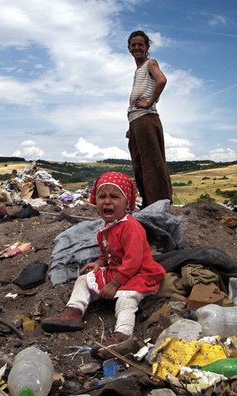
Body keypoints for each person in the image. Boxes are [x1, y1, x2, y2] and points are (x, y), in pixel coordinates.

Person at [41, 171, 166, 344]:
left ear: (127, 203)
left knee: (125, 300)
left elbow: (133, 261)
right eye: (102, 196)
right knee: (83, 280)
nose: (107, 201)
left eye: (115, 196)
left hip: (137, 274)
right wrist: (99, 262)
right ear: (95, 201)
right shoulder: (106, 228)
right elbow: (108, 253)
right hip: (117, 271)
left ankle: (123, 335)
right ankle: (73, 312)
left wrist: (114, 284)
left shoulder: (131, 228)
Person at [126, 30, 173, 208]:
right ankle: (147, 202)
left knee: (152, 162)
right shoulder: (138, 70)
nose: (137, 47)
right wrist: (131, 126)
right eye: (133, 44)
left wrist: (150, 102)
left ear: (147, 47)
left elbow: (162, 80)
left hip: (147, 118)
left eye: (140, 44)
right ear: (129, 48)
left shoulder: (150, 63)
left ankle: (160, 203)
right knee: (138, 163)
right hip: (137, 121)